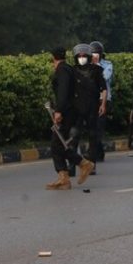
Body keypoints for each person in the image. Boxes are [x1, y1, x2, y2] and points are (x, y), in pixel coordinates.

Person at [46, 47, 95, 190]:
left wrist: (59, 111)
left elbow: (63, 91)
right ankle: (64, 178)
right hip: (71, 111)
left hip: (67, 112)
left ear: (53, 58)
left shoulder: (62, 70)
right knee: (59, 144)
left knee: (57, 143)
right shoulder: (68, 69)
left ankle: (83, 164)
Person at [71, 43, 107, 174]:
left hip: (92, 107)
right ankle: (72, 165)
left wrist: (103, 104)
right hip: (77, 108)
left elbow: (103, 89)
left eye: (84, 56)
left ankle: (92, 164)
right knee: (74, 136)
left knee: (93, 136)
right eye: (79, 56)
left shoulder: (96, 70)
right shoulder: (72, 71)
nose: (82, 58)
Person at [90, 41, 114, 159]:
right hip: (91, 99)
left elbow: (104, 77)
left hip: (103, 100)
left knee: (99, 126)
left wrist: (96, 66)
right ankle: (98, 151)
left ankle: (95, 153)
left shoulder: (107, 65)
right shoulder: (87, 66)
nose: (94, 55)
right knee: (92, 127)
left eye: (96, 53)